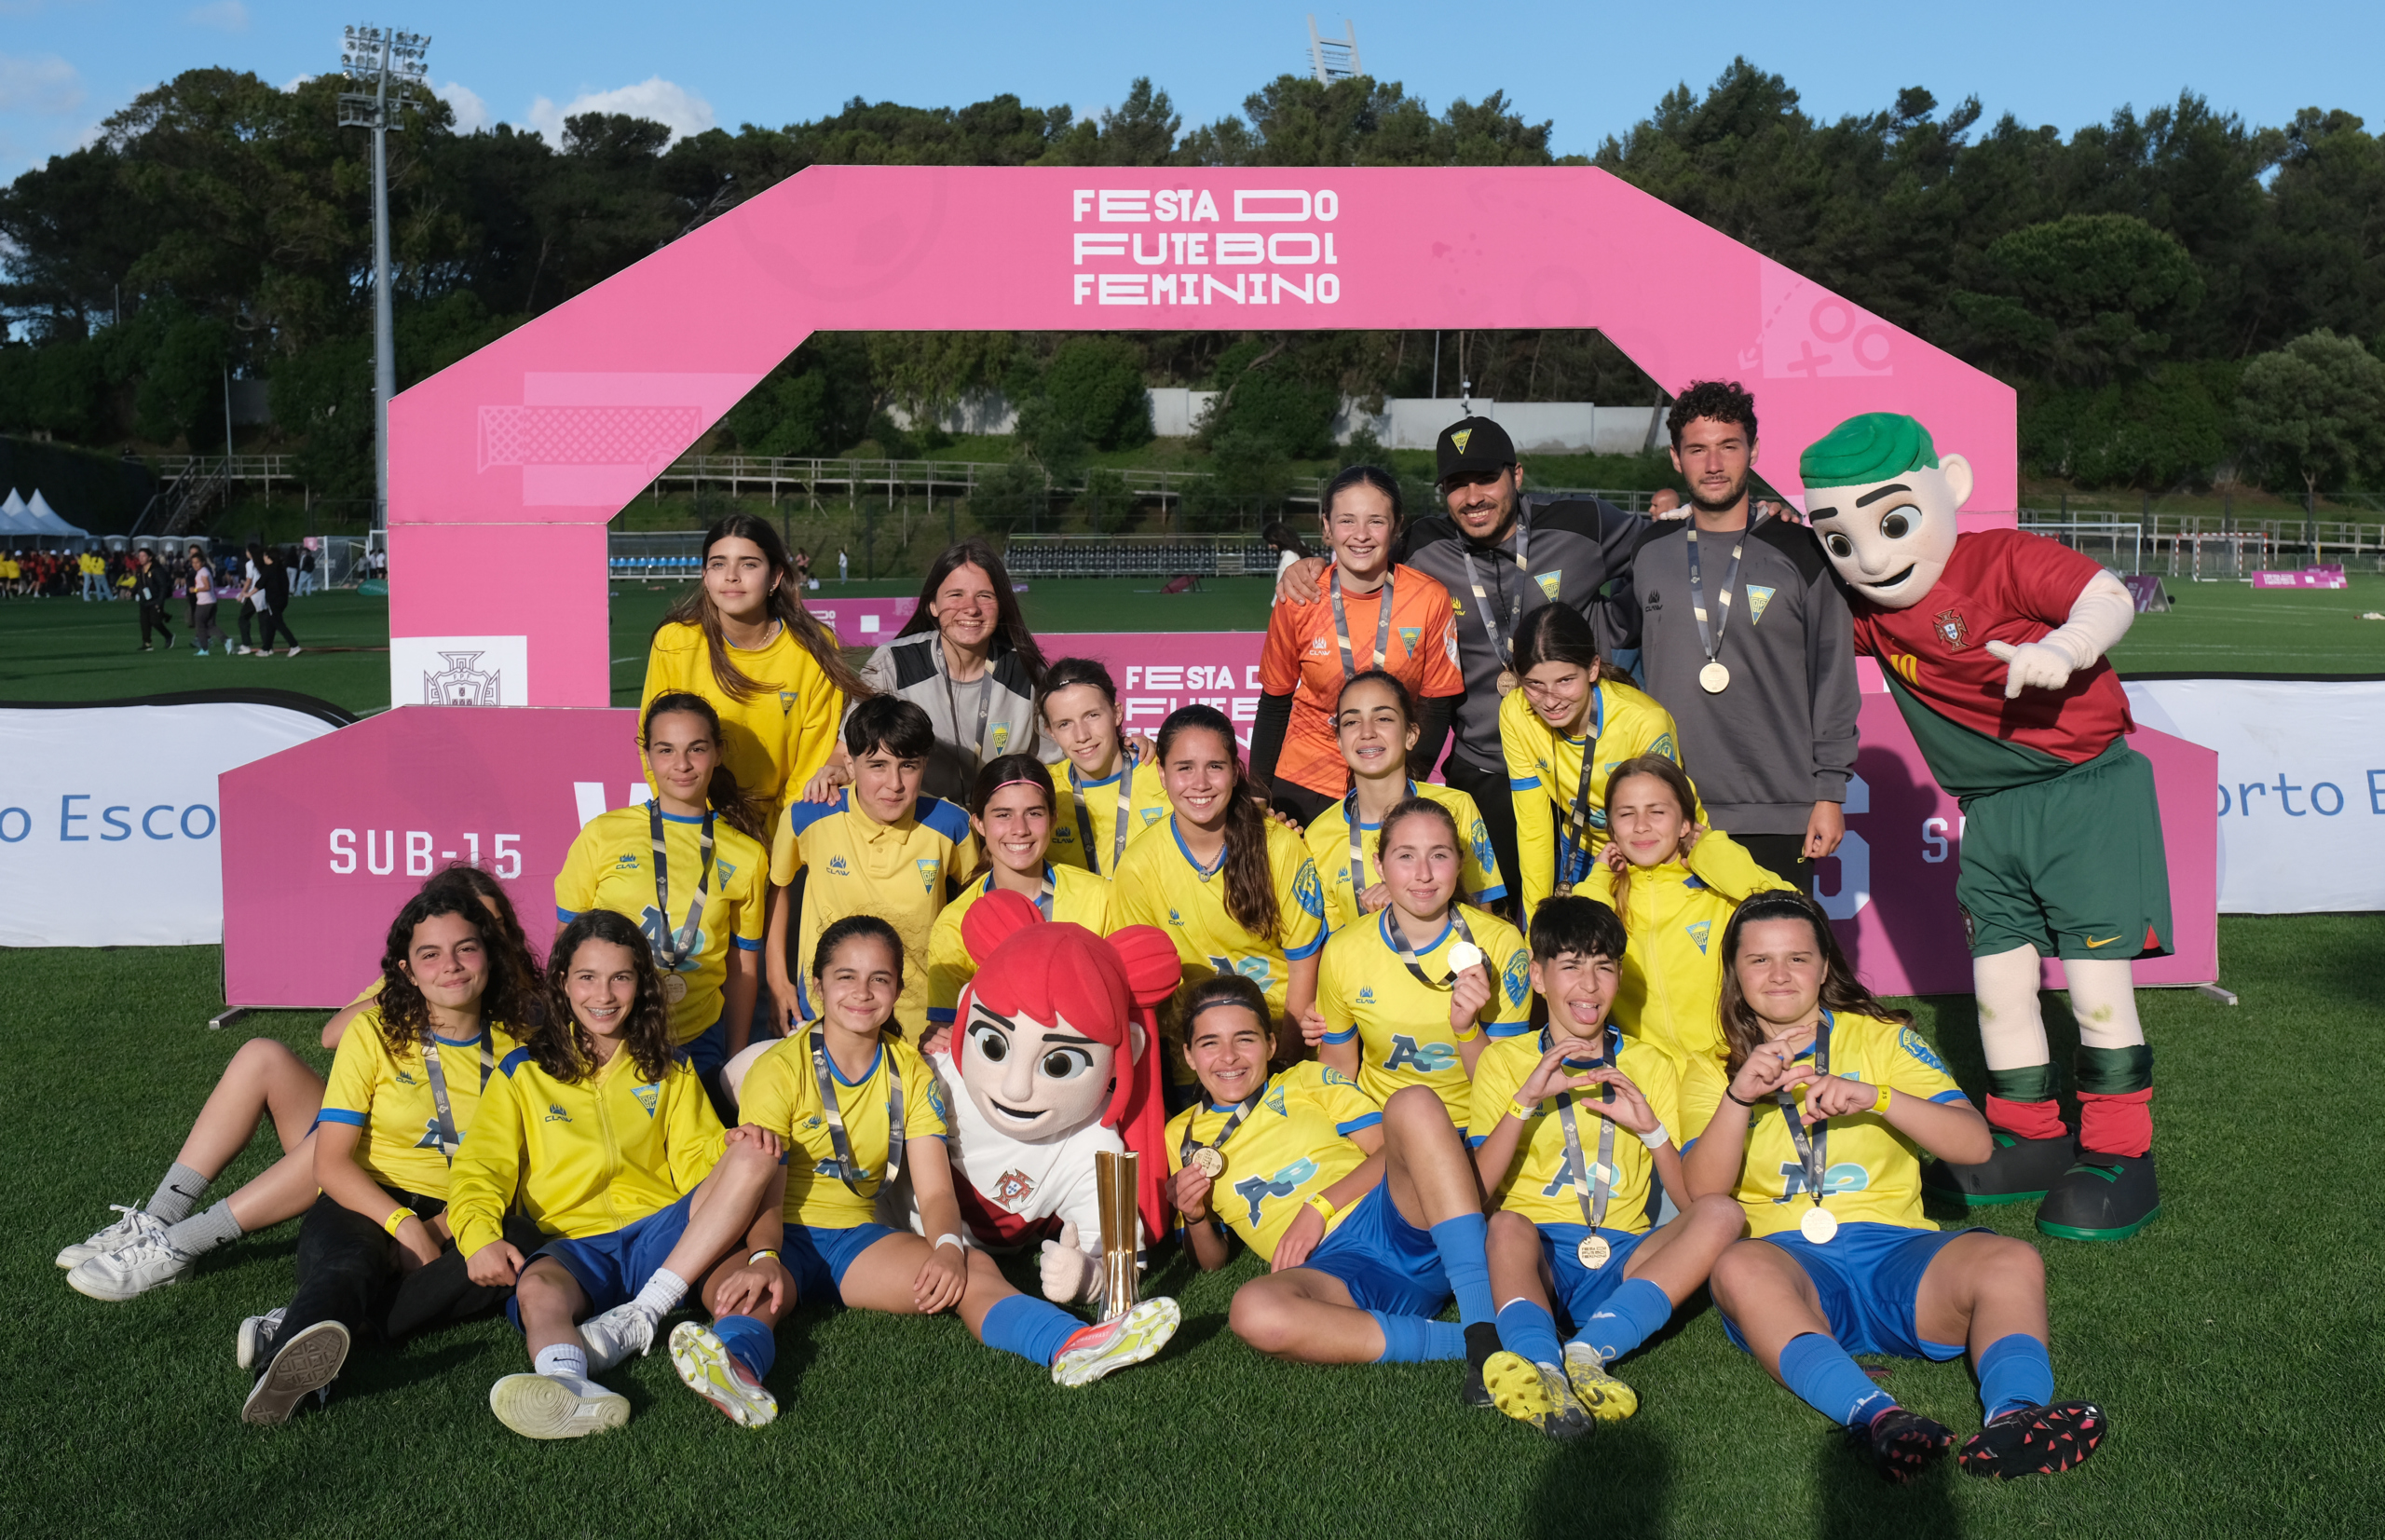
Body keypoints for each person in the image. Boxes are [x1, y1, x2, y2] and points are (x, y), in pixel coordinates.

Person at [1801, 412, 2168, 1240]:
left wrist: (2068, 648)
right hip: (1990, 811)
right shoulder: (1866, 610)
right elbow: (1798, 619)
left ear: (1952, 485)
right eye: (1842, 541)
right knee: (1999, 985)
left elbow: (2107, 595)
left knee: (2096, 988)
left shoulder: (1999, 559)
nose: (1872, 558)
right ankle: (2028, 1134)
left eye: (1893, 523)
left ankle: (2121, 1152)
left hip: (2082, 793)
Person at [1683, 891, 2106, 1482]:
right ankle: (1879, 1418)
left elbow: (1973, 1144)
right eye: (1759, 960)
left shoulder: (1882, 1038)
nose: (1779, 975)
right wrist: (1738, 1098)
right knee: (1738, 1266)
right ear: (1734, 970)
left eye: (1798, 958)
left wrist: (1878, 1098)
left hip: (1899, 1257)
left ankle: (2015, 1419)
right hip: (1791, 1270)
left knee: (2011, 1259)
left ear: (1824, 967)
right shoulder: (1709, 1066)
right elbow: (1700, 1194)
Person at [729, 915, 1180, 1401]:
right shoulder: (779, 1068)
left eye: (879, 978)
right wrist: (763, 1256)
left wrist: (949, 1248)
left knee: (971, 1267)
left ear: (899, 988)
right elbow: (759, 1179)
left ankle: (1071, 1343)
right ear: (817, 985)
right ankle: (733, 1366)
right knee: (744, 1292)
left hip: (858, 1236)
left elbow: (936, 1189)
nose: (862, 992)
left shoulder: (914, 1071)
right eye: (846, 976)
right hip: (772, 1231)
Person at [58, 867, 545, 1302]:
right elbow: (333, 1034)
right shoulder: (420, 979)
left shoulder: (524, 1006)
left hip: (447, 1174)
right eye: (436, 945)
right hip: (371, 1154)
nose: (458, 951)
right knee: (264, 1059)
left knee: (329, 1148)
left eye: (487, 925)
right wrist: (412, 994)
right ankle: (159, 1220)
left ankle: (183, 1244)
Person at [1278, 417, 1656, 888]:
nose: (1473, 496)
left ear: (1516, 475)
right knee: (1495, 908)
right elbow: (1361, 553)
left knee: (1604, 901)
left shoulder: (1581, 523)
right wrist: (1313, 566)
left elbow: (1660, 547)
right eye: (1458, 484)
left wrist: (1615, 623)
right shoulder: (1424, 544)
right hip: (1485, 766)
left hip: (1584, 758)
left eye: (1486, 479)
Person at [454, 910, 786, 1438]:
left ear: (641, 984)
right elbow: (480, 1168)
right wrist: (478, 1237)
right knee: (537, 1290)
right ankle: (568, 1386)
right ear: (563, 983)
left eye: (621, 977)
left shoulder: (670, 1067)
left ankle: (733, 1361)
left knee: (755, 1172)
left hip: (665, 1236)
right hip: (576, 1244)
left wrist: (729, 1146)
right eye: (587, 977)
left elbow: (695, 1159)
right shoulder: (523, 1070)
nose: (603, 995)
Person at [237, 878, 540, 1425]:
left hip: (470, 1207)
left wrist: (441, 1228)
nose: (450, 966)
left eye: (466, 948)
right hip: (367, 1197)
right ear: (406, 970)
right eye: (430, 955)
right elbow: (329, 1163)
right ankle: (281, 1377)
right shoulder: (373, 1032)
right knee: (354, 1259)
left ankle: (330, 1322)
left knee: (521, 1242)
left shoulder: (522, 1044)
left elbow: (520, 1167)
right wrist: (405, 1226)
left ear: (490, 954)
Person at [1468, 895, 1747, 1438]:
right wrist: (1525, 1102)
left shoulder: (1649, 1063)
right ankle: (1542, 1367)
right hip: (1538, 1255)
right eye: (1571, 966)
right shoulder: (1505, 1060)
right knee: (1505, 1225)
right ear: (1539, 978)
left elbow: (1689, 1201)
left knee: (1723, 1214)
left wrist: (1653, 1131)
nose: (1590, 986)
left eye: (1604, 966)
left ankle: (1587, 1353)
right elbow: (1476, 1192)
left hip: (1626, 1254)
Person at [1166, 974, 1501, 1388]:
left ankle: (1482, 1325)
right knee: (1253, 1310)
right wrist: (1195, 1217)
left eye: (1245, 1039)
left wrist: (1319, 1206)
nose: (1229, 1057)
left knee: (1412, 1104)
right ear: (1189, 1055)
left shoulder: (1306, 1079)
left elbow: (1395, 1151)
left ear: (1270, 1044)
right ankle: (1462, 1343)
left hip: (1396, 1221)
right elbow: (1211, 1263)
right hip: (1332, 1275)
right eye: (1209, 1043)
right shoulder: (1180, 1136)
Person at [1629, 383, 1857, 893]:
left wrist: (1829, 793)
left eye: (1728, 446)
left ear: (1753, 451)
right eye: (1697, 449)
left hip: (1779, 806)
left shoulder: (1803, 551)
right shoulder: (1649, 550)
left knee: (1778, 945)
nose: (1714, 464)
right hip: (1671, 809)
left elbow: (1834, 677)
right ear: (1676, 458)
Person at [555, 693, 769, 1099]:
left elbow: (742, 967)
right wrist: (569, 1030)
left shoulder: (747, 855)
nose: (682, 764)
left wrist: (735, 1056)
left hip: (699, 1038)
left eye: (696, 749)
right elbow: (567, 945)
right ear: (648, 756)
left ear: (718, 753)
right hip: (612, 1032)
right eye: (666, 750)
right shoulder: (603, 834)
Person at [1108, 705, 1326, 1102]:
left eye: (1215, 766)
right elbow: (1141, 982)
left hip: (1277, 1046)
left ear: (1235, 771)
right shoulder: (1139, 864)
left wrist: (1287, 1058)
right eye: (1184, 768)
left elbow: (1304, 960)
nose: (1201, 783)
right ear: (1162, 774)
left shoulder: (1279, 845)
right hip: (1194, 1062)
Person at [1250, 466, 1465, 825]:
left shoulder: (1429, 598)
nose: (1361, 535)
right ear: (1327, 526)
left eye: (1376, 521)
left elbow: (1437, 707)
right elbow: (1274, 703)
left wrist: (1407, 783)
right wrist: (1258, 792)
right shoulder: (1299, 596)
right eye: (1347, 520)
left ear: (1396, 526)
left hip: (1390, 784)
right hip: (1303, 782)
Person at [766, 695, 976, 1043]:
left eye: (908, 766)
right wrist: (777, 980)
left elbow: (977, 908)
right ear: (849, 765)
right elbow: (779, 887)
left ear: (925, 765)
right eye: (878, 765)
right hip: (824, 1011)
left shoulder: (952, 824)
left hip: (923, 1022)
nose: (894, 783)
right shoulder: (806, 817)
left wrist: (953, 1006)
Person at [1312, 797, 1531, 1122]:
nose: (1423, 874)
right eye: (1406, 856)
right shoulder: (1343, 948)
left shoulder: (1501, 943)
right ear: (1379, 865)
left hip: (1475, 1129)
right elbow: (1338, 1066)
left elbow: (1506, 1085)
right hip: (1378, 1128)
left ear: (1460, 862)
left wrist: (1467, 1030)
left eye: (1439, 855)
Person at [641, 513, 865, 826]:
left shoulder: (813, 648)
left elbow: (812, 763)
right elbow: (654, 742)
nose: (731, 576)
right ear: (705, 575)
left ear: (775, 577)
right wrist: (694, 824)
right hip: (696, 823)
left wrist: (776, 836)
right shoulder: (675, 641)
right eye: (718, 564)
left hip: (784, 825)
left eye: (748, 564)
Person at [1574, 756, 1793, 1069]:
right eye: (1626, 814)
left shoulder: (1719, 889)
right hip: (1646, 1077)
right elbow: (1571, 948)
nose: (1641, 826)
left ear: (1685, 824)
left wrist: (1711, 851)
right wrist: (1599, 878)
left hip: (1729, 1068)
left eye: (1657, 812)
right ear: (1611, 828)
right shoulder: (1605, 897)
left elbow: (1794, 911)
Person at [814, 538, 1058, 807]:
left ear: (1001, 606)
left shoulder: (1029, 673)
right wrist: (834, 771)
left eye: (985, 596)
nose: (971, 608)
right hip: (918, 821)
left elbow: (1055, 765)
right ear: (932, 605)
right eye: (956, 595)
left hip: (1001, 823)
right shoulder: (894, 663)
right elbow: (847, 749)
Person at [1501, 603, 1697, 920]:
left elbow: (1671, 823)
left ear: (1592, 669)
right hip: (1579, 851)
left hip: (1650, 850)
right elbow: (1533, 827)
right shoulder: (1514, 712)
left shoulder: (1644, 721)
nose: (1550, 700)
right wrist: (1537, 922)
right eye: (1534, 684)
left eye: (1565, 680)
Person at [920, 755, 1112, 1047]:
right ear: (979, 823)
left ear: (1053, 818)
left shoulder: (1099, 896)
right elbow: (946, 1031)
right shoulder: (954, 921)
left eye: (1033, 813)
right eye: (1003, 815)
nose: (1020, 828)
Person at [1302, 670, 1505, 932]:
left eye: (1383, 718)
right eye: (1351, 722)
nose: (1367, 732)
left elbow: (1485, 922)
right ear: (1340, 741)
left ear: (1411, 735)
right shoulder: (1318, 835)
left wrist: (1415, 901)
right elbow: (1335, 943)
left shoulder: (1457, 806)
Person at [1035, 656, 1170, 879]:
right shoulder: (1042, 789)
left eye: (1092, 715)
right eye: (1065, 724)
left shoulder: (1163, 773)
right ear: (1051, 732)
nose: (1082, 735)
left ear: (1117, 713)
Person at [252, 545, 300, 656]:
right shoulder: (281, 568)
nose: (263, 557)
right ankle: (266, 648)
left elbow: (259, 585)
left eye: (265, 555)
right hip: (283, 600)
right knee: (270, 623)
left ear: (268, 557)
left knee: (278, 623)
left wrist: (246, 594)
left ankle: (294, 645)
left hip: (274, 600)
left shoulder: (268, 569)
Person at [130, 550, 175, 652]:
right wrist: (131, 591)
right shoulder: (140, 570)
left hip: (155, 600)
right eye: (140, 556)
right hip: (144, 600)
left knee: (155, 622)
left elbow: (163, 587)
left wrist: (160, 602)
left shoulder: (156, 570)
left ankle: (168, 636)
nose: (141, 558)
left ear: (150, 557)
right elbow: (139, 584)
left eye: (143, 556)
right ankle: (147, 643)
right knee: (144, 622)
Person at [186, 544, 223, 655]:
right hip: (208, 601)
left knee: (200, 625)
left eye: (197, 562)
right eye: (193, 562)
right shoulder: (202, 571)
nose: (195, 564)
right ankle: (226, 640)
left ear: (202, 562)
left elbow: (207, 587)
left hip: (204, 602)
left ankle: (204, 648)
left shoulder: (203, 572)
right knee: (210, 625)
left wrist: (195, 590)